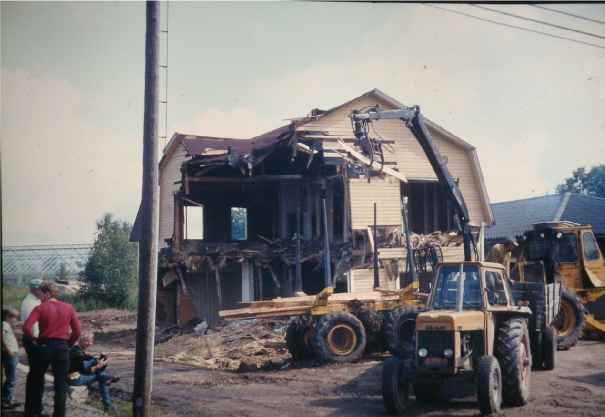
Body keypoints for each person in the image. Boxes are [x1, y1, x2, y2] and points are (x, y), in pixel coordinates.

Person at [22, 281, 81, 417]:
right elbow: (77, 331)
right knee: (60, 386)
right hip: (61, 348)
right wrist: (69, 345)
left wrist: (34, 339)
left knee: (35, 381)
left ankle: (30, 412)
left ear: (47, 293)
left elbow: (25, 328)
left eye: (40, 294)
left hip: (44, 347)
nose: (39, 297)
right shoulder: (68, 307)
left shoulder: (40, 308)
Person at [68, 332, 120, 412]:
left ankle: (104, 377)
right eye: (87, 341)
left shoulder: (76, 348)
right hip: (74, 379)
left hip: (74, 374)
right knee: (101, 377)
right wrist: (99, 366)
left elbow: (86, 357)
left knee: (94, 361)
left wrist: (99, 358)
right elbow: (84, 371)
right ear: (80, 340)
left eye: (91, 341)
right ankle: (107, 405)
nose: (90, 343)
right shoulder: (78, 354)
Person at [2, 307, 22, 410]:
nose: (16, 320)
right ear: (8, 317)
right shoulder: (5, 324)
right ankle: (6, 400)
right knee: (11, 378)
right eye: (14, 317)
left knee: (10, 377)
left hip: (9, 352)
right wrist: (8, 348)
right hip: (10, 353)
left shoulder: (6, 324)